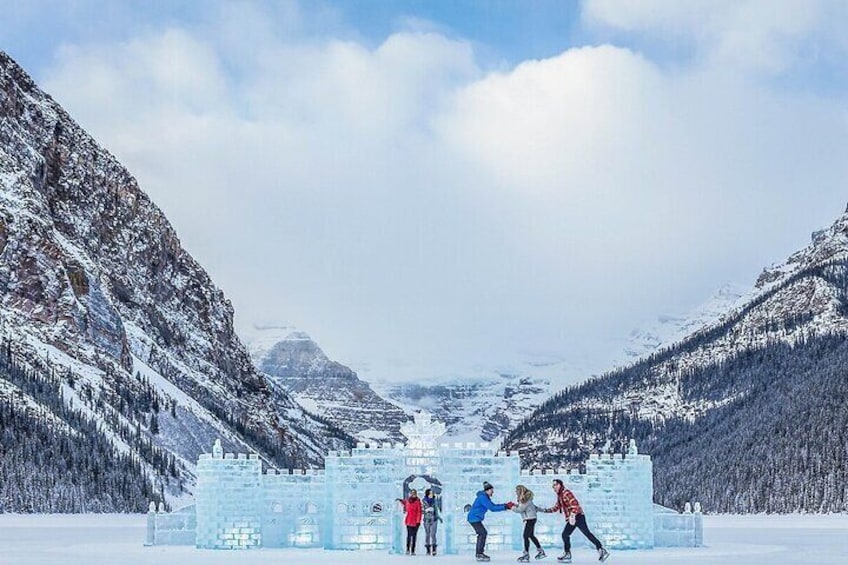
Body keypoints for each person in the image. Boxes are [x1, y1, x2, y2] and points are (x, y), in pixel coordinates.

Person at [542, 479, 609, 563]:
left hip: (578, 516)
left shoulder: (566, 493)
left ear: (559, 485)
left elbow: (575, 505)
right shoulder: (560, 496)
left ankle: (601, 549)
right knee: (565, 534)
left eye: (555, 485)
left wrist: (572, 516)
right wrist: (544, 510)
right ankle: (568, 553)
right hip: (573, 517)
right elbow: (556, 507)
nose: (553, 487)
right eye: (553, 485)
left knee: (585, 533)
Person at [467, 481, 515, 562]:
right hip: (474, 518)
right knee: (482, 533)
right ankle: (479, 554)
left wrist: (505, 505)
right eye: (491, 490)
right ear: (487, 490)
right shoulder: (483, 497)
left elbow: (493, 506)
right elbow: (492, 508)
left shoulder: (484, 497)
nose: (493, 492)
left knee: (482, 533)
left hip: (475, 518)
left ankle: (479, 553)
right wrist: (506, 506)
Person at [512, 484, 545, 562]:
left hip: (530, 519)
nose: (516, 492)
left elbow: (520, 509)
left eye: (517, 490)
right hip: (531, 519)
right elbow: (533, 507)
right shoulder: (525, 499)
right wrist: (543, 510)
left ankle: (526, 554)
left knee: (525, 536)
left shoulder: (525, 500)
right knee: (530, 535)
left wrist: (511, 507)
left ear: (520, 491)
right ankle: (540, 551)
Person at [397, 489, 423, 555]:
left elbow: (419, 512)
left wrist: (418, 521)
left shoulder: (418, 502)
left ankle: (413, 550)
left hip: (415, 521)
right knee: (409, 536)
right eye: (412, 493)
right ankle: (408, 549)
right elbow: (405, 502)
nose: (413, 494)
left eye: (414, 493)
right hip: (408, 520)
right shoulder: (408, 501)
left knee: (414, 536)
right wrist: (400, 500)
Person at [422, 488, 443, 555]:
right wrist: (426, 510)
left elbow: (436, 510)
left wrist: (439, 518)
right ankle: (428, 549)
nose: (431, 494)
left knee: (433, 534)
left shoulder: (435, 501)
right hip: (426, 519)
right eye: (430, 493)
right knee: (427, 534)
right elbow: (422, 510)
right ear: (427, 494)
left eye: (432, 493)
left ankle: (434, 549)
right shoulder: (424, 501)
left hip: (434, 519)